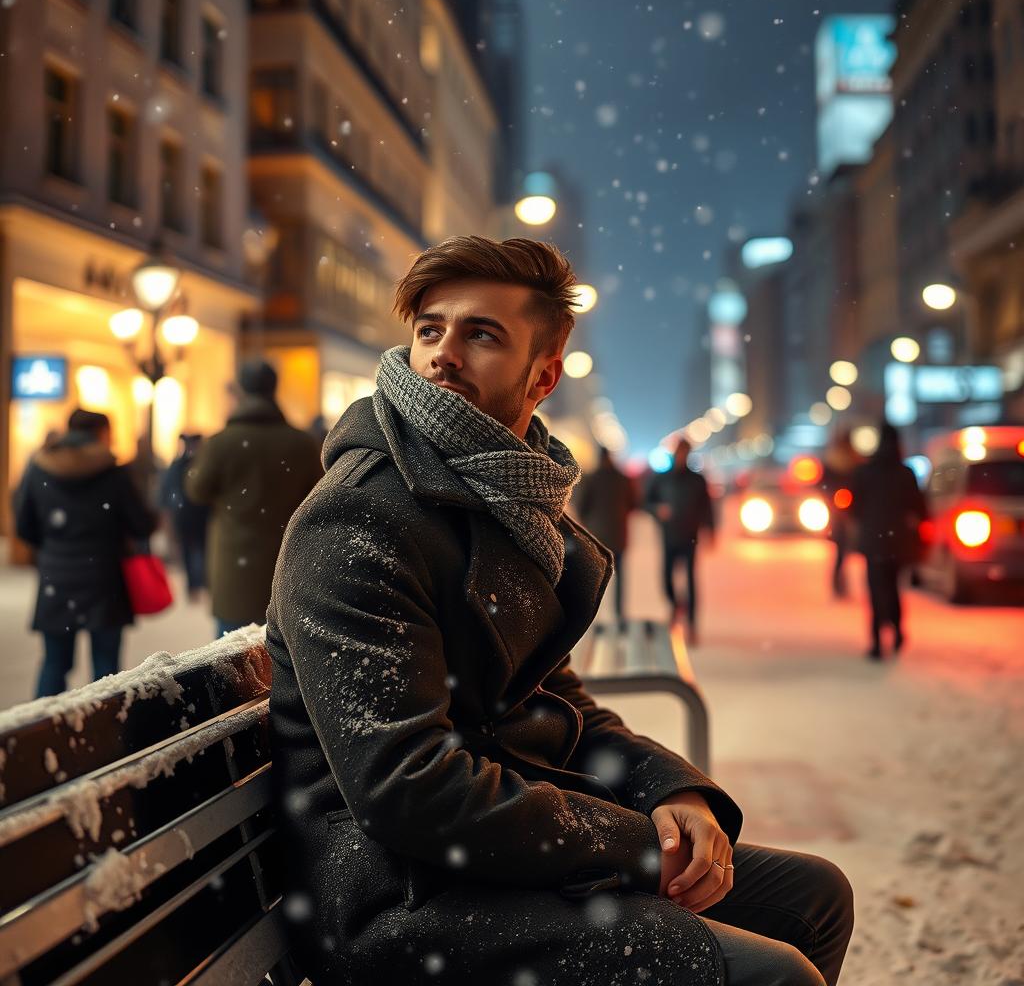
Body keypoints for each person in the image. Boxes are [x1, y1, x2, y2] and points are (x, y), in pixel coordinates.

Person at [266, 236, 853, 986]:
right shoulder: (361, 519)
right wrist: (635, 843)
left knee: (812, 898)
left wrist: (673, 792)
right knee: (774, 975)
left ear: (542, 377)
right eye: (430, 328)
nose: (443, 353)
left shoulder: (504, 505)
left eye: (481, 334)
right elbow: (406, 788)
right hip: (399, 900)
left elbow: (556, 703)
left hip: (483, 864)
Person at [13, 410, 157, 697]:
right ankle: (106, 734)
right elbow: (142, 524)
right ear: (101, 433)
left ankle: (43, 733)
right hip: (103, 578)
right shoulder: (113, 473)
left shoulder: (40, 468)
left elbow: (24, 525)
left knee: (54, 664)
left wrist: (54, 547)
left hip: (57, 577)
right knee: (106, 670)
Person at [185, 359, 322, 638]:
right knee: (281, 659)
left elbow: (196, 490)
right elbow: (320, 495)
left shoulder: (221, 442)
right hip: (285, 564)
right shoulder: (301, 443)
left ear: (241, 391)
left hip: (234, 565)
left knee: (230, 660)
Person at [851, 423, 928, 660]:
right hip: (897, 542)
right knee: (893, 588)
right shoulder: (905, 473)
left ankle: (876, 641)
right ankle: (896, 629)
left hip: (874, 540)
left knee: (876, 590)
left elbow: (854, 507)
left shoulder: (864, 472)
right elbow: (919, 507)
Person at [644, 437, 716, 639]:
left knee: (691, 581)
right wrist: (657, 509)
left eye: (685, 453)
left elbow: (707, 507)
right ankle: (676, 605)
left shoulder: (697, 480)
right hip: (668, 536)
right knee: (666, 578)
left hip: (690, 537)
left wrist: (711, 530)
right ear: (674, 453)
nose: (682, 456)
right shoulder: (662, 478)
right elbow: (646, 502)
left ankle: (692, 625)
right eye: (679, 452)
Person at [575, 446, 636, 630]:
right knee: (621, 576)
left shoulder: (591, 478)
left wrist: (589, 524)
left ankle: (595, 616)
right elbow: (634, 503)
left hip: (597, 538)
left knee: (597, 577)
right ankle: (619, 614)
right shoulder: (623, 479)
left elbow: (581, 506)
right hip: (619, 535)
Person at [159, 433, 209, 603]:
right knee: (193, 551)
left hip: (194, 516)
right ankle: (196, 586)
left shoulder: (181, 465)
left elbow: (166, 493)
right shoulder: (190, 464)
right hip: (192, 516)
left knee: (196, 551)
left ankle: (198, 585)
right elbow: (167, 493)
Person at [822, 428, 862, 598]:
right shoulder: (855, 462)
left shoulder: (832, 462)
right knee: (843, 549)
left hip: (840, 511)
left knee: (841, 550)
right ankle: (840, 583)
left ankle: (839, 583)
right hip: (847, 512)